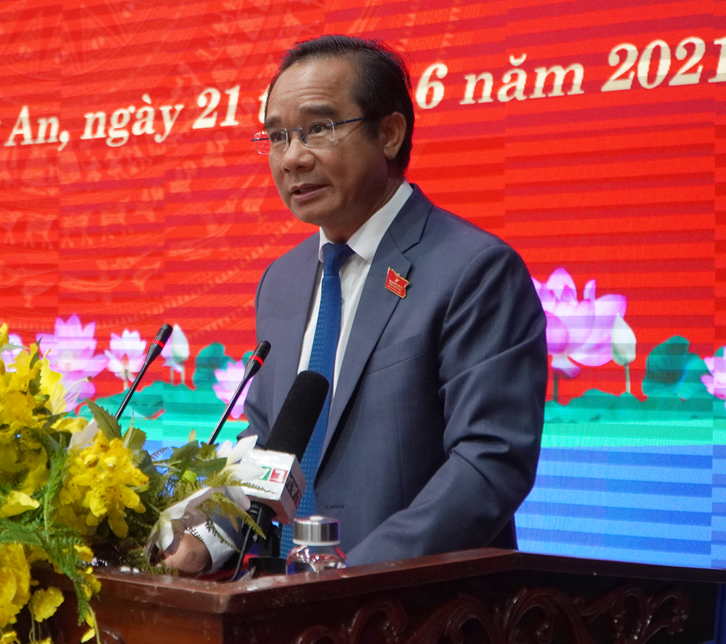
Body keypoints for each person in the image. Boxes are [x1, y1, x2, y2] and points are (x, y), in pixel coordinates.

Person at [164, 35, 547, 574]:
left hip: (413, 611)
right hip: (283, 607)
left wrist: (353, 582)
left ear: (389, 133)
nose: (293, 157)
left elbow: (488, 463)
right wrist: (206, 539)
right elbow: (266, 450)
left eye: (318, 128)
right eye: (277, 136)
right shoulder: (283, 280)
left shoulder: (472, 269)